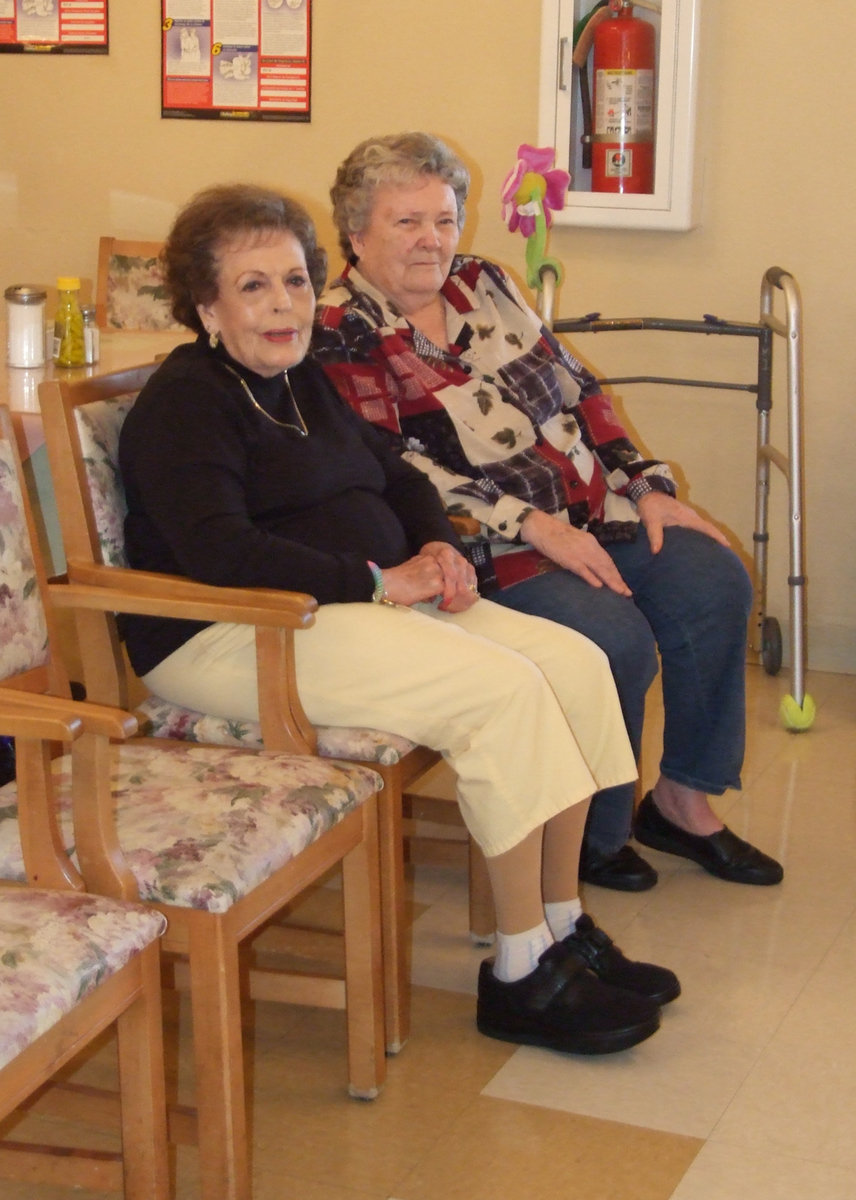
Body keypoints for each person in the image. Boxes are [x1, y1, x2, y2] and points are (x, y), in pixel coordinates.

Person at [117, 182, 681, 1057]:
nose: (284, 304)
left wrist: (437, 552)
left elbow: (400, 472)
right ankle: (521, 972)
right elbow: (224, 554)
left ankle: (564, 925)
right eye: (254, 286)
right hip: (234, 632)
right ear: (207, 305)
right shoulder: (187, 401)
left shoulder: (303, 378)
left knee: (571, 664)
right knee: (498, 691)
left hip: (345, 605)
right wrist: (382, 581)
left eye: (297, 282)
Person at [312, 132, 784, 890]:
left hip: (590, 517)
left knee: (712, 580)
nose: (431, 240)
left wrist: (648, 486)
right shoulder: (338, 327)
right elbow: (389, 465)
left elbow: (579, 390)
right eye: (406, 222)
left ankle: (680, 802)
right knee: (612, 638)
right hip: (479, 550)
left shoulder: (483, 283)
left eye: (443, 218)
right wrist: (533, 526)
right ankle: (596, 838)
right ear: (356, 232)